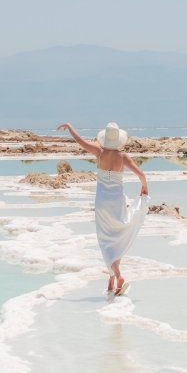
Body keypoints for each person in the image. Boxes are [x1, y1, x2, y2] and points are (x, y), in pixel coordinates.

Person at [57, 122, 149, 299]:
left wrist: (69, 127)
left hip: (101, 202)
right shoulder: (123, 157)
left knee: (106, 240)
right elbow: (141, 175)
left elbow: (80, 141)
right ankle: (113, 279)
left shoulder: (98, 153)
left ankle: (116, 278)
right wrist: (144, 188)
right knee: (117, 238)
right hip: (117, 201)